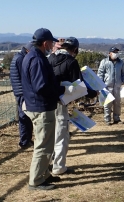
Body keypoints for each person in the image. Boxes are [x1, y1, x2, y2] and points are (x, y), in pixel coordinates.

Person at [21, 28, 65, 190]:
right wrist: (60, 91)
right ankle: (36, 180)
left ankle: (44, 174)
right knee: (43, 145)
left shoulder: (31, 56)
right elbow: (41, 87)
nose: (52, 44)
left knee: (46, 143)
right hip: (41, 107)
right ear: (45, 43)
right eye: (51, 42)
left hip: (36, 105)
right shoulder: (38, 60)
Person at [48, 37, 98, 175]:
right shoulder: (71, 62)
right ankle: (59, 166)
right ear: (75, 49)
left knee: (48, 135)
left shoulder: (49, 59)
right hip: (61, 101)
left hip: (46, 103)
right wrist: (93, 93)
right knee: (61, 135)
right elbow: (80, 86)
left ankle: (46, 164)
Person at [9, 42, 33, 149]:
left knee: (25, 116)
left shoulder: (19, 57)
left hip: (20, 91)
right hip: (22, 92)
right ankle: (24, 141)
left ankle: (27, 139)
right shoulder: (20, 59)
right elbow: (24, 76)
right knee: (23, 116)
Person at [97, 47, 124, 125]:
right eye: (114, 52)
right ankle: (107, 119)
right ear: (109, 53)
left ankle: (117, 118)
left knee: (117, 103)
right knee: (107, 103)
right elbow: (100, 73)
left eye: (117, 52)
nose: (116, 53)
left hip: (117, 87)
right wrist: (100, 84)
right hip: (107, 86)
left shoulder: (121, 62)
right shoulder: (104, 62)